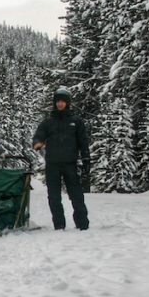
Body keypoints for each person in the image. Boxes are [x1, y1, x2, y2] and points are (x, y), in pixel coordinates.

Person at [32, 87, 90, 230]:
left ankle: (82, 225)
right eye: (58, 101)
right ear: (54, 103)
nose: (60, 104)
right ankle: (59, 225)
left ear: (68, 103)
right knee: (54, 198)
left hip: (70, 164)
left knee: (76, 196)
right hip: (52, 165)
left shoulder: (76, 122)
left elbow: (83, 142)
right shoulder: (48, 122)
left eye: (63, 101)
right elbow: (38, 136)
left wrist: (86, 159)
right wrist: (37, 143)